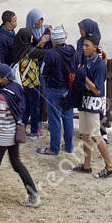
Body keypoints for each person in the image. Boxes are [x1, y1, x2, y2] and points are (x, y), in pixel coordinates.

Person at [0, 63, 42, 208]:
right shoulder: (16, 88)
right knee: (17, 163)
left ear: (4, 78)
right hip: (14, 132)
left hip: (1, 137)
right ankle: (33, 195)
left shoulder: (3, 96)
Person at [74, 35, 112, 177]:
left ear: (95, 47)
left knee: (96, 136)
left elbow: (97, 89)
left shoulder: (100, 65)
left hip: (93, 103)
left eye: (87, 46)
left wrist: (83, 77)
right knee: (85, 134)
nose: (84, 48)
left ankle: (109, 167)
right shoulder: (86, 61)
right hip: (84, 101)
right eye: (83, 46)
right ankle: (86, 165)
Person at [38, 25, 77, 155]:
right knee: (68, 117)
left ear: (54, 40)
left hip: (54, 89)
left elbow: (43, 71)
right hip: (69, 89)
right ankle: (69, 146)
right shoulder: (72, 50)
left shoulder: (51, 54)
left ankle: (54, 148)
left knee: (54, 119)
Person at [15, 25, 44, 138]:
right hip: (33, 83)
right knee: (35, 107)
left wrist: (41, 41)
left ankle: (21, 128)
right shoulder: (30, 51)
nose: (32, 38)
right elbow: (43, 52)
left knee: (26, 106)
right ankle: (34, 131)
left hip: (24, 83)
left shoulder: (19, 49)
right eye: (31, 36)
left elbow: (37, 49)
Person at [0, 11, 19, 77]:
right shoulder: (0, 39)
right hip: (6, 71)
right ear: (8, 24)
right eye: (14, 21)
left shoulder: (11, 31)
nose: (16, 23)